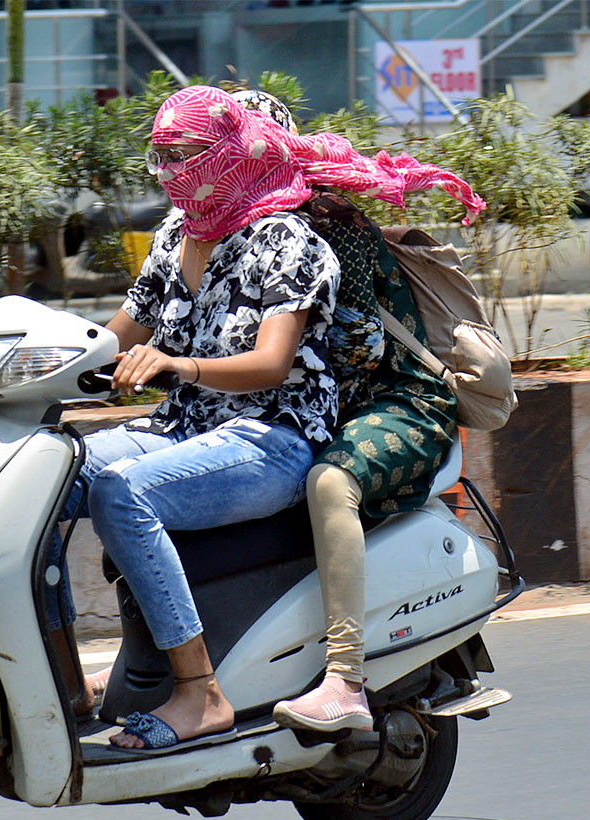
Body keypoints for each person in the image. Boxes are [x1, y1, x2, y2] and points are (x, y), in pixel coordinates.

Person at [51, 84, 341, 753]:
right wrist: (21, 367)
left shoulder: (287, 242)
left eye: (186, 154)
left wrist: (176, 367)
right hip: (186, 427)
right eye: (162, 157)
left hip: (270, 437)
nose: (171, 172)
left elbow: (271, 364)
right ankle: (66, 683)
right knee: (42, 476)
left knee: (120, 492)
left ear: (238, 156)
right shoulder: (178, 234)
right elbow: (115, 337)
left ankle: (200, 692)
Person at [235, 94, 484, 733]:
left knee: (329, 481)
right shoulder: (213, 227)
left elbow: (358, 348)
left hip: (397, 398)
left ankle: (345, 678)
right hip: (308, 402)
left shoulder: (327, 222)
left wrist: (269, 351)